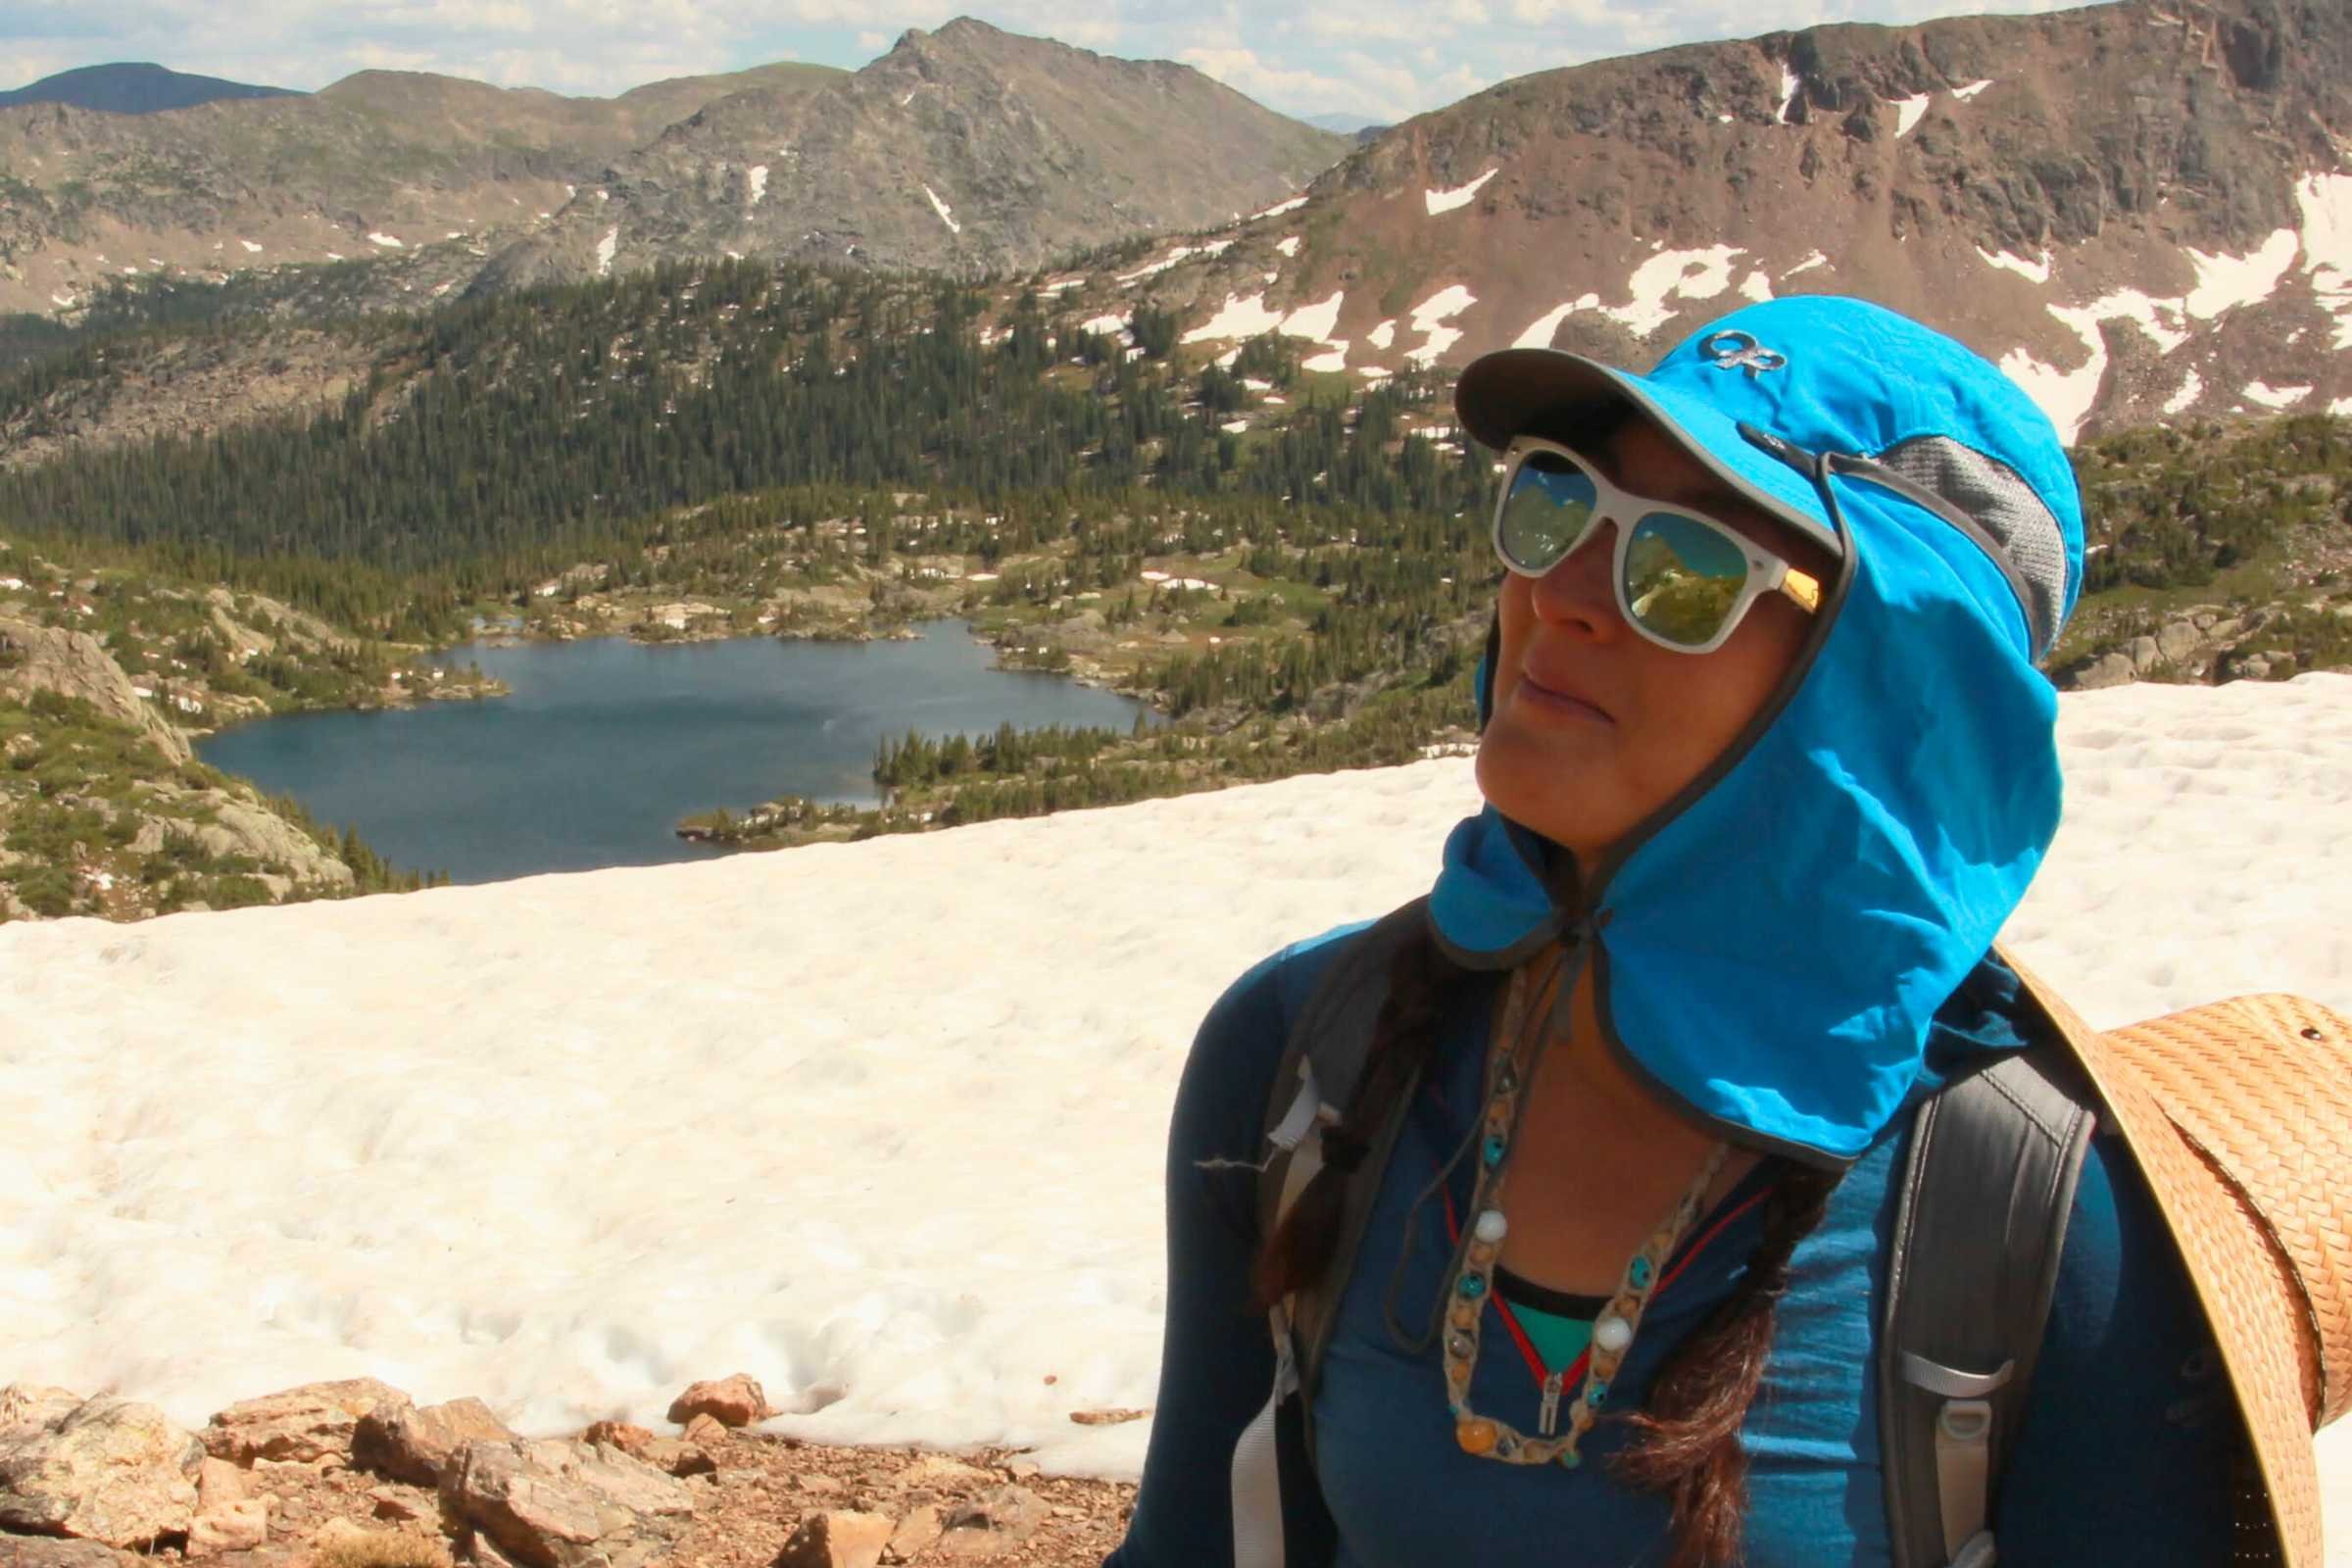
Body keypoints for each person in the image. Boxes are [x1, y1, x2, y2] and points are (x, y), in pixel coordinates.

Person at [1102, 296, 2253, 1567]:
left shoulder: (2040, 1213)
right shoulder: (1307, 1051)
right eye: (1558, 501)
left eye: (1686, 566)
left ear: (1882, 692)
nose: (1563, 593)